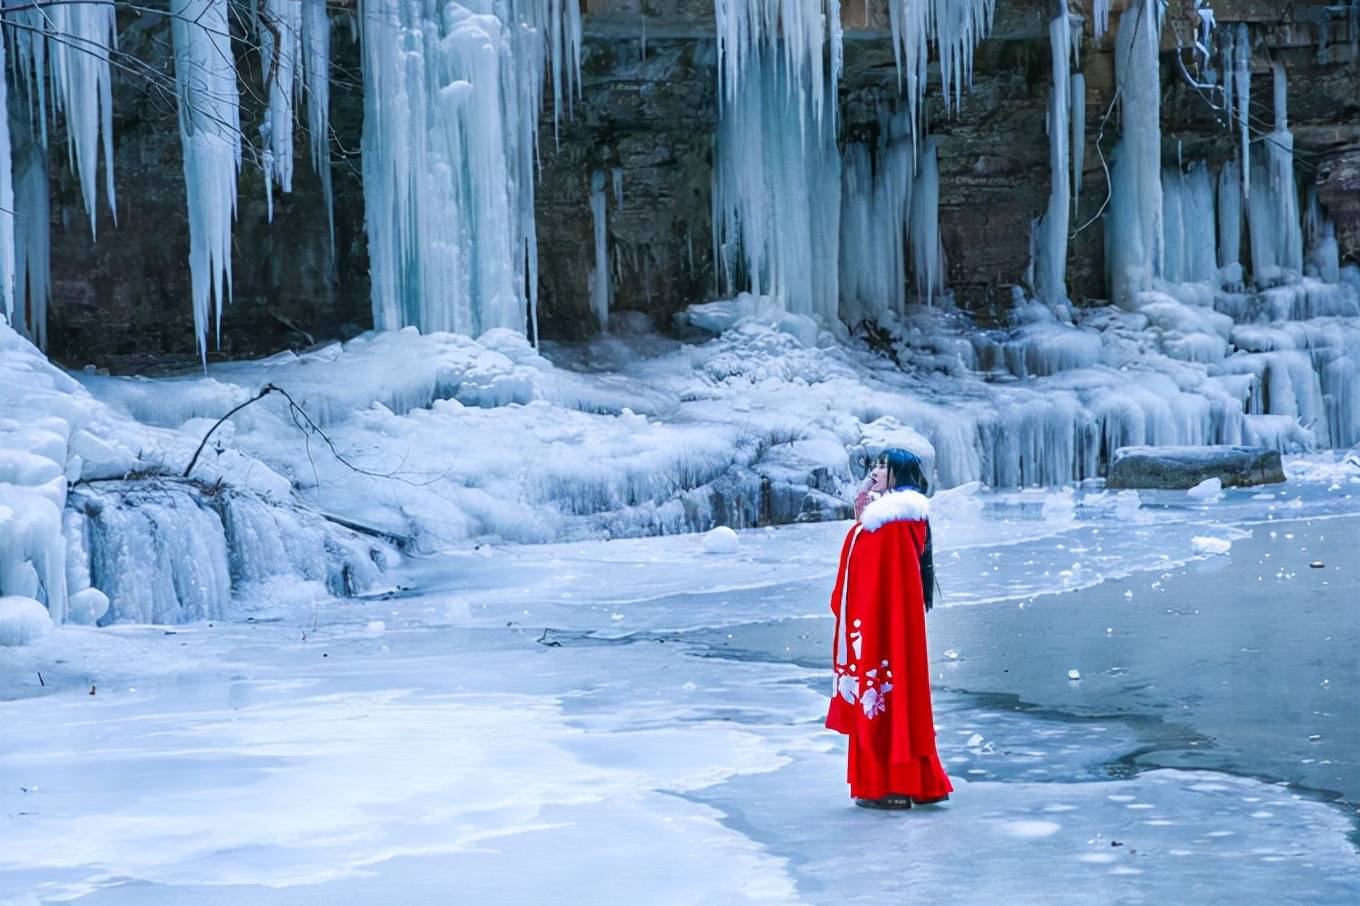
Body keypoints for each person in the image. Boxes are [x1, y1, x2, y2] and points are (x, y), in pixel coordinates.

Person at [826, 447, 952, 809]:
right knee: (887, 698)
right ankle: (912, 782)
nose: (876, 470)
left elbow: (887, 580)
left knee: (883, 698)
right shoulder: (888, 519)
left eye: (885, 465)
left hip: (883, 627)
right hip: (877, 625)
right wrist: (864, 509)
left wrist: (865, 517)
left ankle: (889, 786)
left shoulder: (895, 522)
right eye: (876, 464)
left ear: (901, 474)